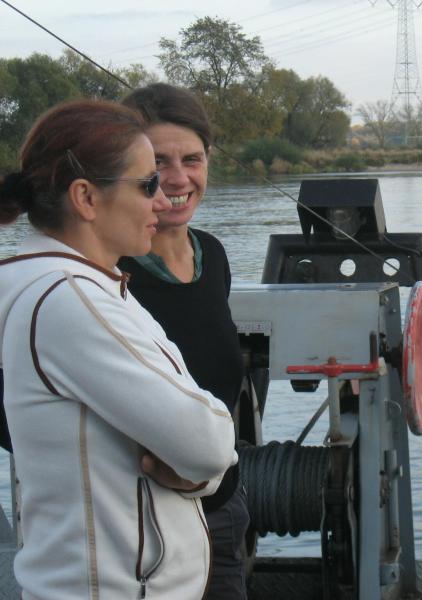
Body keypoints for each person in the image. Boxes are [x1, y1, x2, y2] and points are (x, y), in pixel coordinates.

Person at [0, 99, 237, 598]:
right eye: (147, 183)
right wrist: (204, 457)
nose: (161, 201)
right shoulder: (71, 299)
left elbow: (199, 450)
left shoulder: (88, 285)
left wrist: (198, 466)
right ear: (86, 198)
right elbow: (209, 443)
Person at [117, 83, 249, 599]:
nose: (177, 179)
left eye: (191, 159)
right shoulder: (101, 271)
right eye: (157, 163)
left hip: (221, 514)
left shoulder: (211, 254)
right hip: (135, 533)